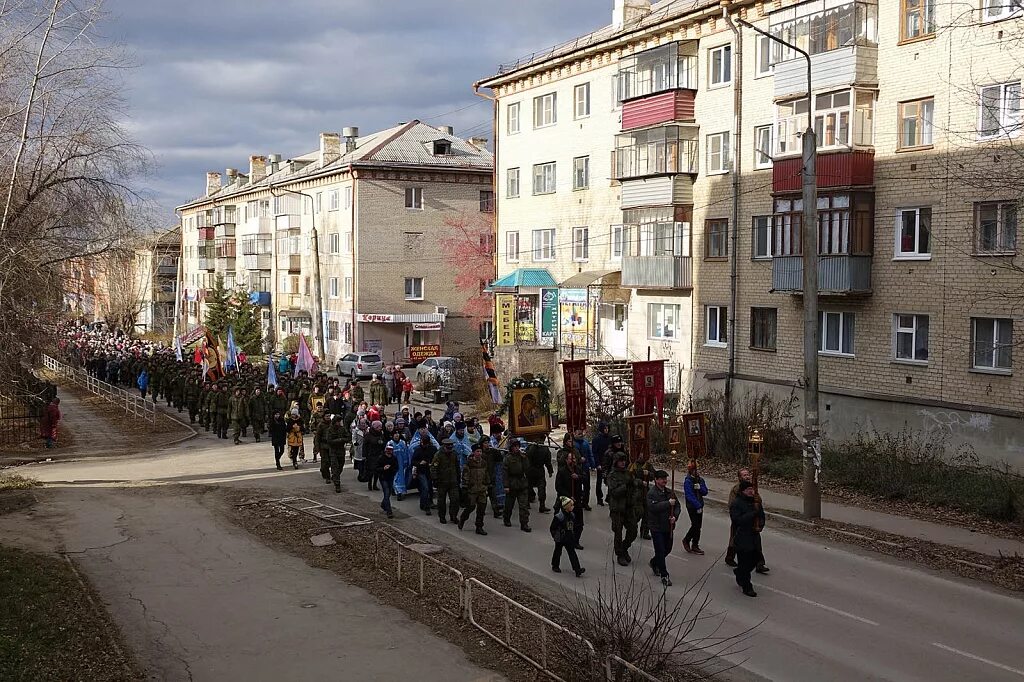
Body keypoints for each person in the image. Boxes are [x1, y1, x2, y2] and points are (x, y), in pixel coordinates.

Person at [725, 468, 769, 574]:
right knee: (735, 540)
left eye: (747, 474)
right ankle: (730, 557)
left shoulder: (752, 488)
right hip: (740, 521)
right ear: (740, 477)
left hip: (752, 522)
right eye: (744, 475)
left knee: (756, 542)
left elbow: (758, 501)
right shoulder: (736, 489)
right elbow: (732, 504)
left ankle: (759, 563)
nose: (747, 476)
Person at [730, 481, 765, 597]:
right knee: (744, 562)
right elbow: (737, 520)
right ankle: (747, 587)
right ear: (743, 491)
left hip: (754, 537)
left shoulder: (756, 503)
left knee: (756, 559)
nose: (751, 491)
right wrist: (752, 514)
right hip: (742, 537)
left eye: (752, 489)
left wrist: (760, 526)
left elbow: (762, 516)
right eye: (748, 489)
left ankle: (739, 572)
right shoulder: (737, 503)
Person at [647, 469, 681, 587]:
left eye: (665, 479)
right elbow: (653, 507)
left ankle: (654, 562)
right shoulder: (652, 493)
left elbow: (677, 506)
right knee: (660, 550)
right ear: (656, 480)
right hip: (656, 527)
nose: (664, 481)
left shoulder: (669, 492)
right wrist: (668, 503)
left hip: (668, 526)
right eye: (661, 479)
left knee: (667, 549)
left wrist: (674, 517)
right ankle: (664, 575)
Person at [606, 452, 638, 566]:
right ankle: (619, 554)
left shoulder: (628, 474)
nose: (623, 463)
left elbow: (635, 489)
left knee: (633, 530)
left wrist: (633, 499)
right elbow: (614, 492)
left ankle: (625, 548)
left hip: (628, 507)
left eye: (624, 460)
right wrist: (625, 486)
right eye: (621, 460)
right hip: (617, 508)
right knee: (618, 533)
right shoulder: (612, 476)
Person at [555, 450, 585, 550]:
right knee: (569, 522)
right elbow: (558, 487)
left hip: (577, 500)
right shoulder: (562, 471)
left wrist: (578, 477)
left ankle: (576, 540)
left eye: (574, 458)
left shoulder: (578, 469)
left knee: (579, 523)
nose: (573, 460)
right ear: (566, 460)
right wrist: (568, 496)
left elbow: (584, 479)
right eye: (571, 458)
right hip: (566, 501)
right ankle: (567, 540)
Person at [457, 442, 490, 535]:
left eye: (480, 451)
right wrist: (465, 487)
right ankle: (463, 518)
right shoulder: (469, 463)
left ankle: (479, 527)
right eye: (477, 451)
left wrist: (487, 483)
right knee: (470, 507)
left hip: (482, 489)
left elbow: (486, 474)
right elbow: (465, 476)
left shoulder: (484, 463)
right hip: (472, 490)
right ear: (473, 452)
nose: (479, 453)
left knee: (481, 509)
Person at [550, 496, 585, 577]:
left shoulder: (572, 515)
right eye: (571, 505)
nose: (573, 507)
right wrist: (556, 536)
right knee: (557, 552)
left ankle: (577, 569)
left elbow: (573, 526)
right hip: (560, 538)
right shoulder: (559, 517)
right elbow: (552, 528)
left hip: (568, 537)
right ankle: (555, 565)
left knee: (572, 553)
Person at [502, 438, 531, 532]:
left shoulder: (522, 457)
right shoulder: (508, 458)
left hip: (522, 482)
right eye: (515, 447)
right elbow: (505, 473)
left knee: (523, 505)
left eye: (518, 446)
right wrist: (506, 486)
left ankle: (524, 523)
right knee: (509, 504)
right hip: (512, 483)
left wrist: (525, 458)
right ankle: (506, 518)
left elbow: (527, 468)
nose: (517, 448)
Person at [430, 437, 461, 524]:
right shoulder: (438, 455)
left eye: (451, 446)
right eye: (448, 447)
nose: (450, 448)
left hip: (453, 481)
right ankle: (442, 516)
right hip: (442, 481)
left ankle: (453, 516)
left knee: (455, 500)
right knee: (441, 501)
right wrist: (435, 479)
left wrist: (458, 477)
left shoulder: (454, 454)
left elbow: (457, 466)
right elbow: (433, 468)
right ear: (444, 446)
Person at [682, 459, 709, 555]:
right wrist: (697, 505)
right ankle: (687, 540)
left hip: (700, 506)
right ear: (692, 471)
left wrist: (700, 487)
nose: (698, 472)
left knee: (698, 526)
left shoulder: (700, 480)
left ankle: (695, 544)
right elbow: (689, 495)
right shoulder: (688, 481)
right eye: (695, 470)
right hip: (692, 507)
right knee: (695, 525)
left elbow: (705, 492)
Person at [412, 429, 437, 515]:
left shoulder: (433, 449)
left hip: (429, 470)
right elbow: (413, 461)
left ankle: (426, 502)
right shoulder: (418, 450)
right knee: (425, 487)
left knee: (429, 487)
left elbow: (436, 458)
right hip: (421, 471)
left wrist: (433, 463)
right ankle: (426, 506)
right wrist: (419, 463)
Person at [526, 440, 553, 513]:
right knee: (541, 488)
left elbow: (527, 456)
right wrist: (550, 470)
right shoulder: (545, 448)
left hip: (531, 470)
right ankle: (542, 505)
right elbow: (548, 461)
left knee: (529, 487)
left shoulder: (530, 447)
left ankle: (528, 503)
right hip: (538, 470)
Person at [573, 427, 595, 510]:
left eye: (581, 433)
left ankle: (585, 503)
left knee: (587, 487)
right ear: (574, 434)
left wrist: (592, 465)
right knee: (578, 487)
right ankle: (578, 502)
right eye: (578, 433)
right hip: (577, 468)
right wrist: (578, 460)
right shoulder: (573, 444)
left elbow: (590, 454)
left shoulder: (585, 443)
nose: (580, 435)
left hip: (585, 468)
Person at [592, 422, 612, 506]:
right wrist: (597, 464)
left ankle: (609, 497)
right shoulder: (596, 439)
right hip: (601, 462)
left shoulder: (610, 438)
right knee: (599, 481)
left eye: (607, 428)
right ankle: (599, 498)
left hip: (610, 463)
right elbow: (595, 452)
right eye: (604, 428)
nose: (606, 430)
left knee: (611, 481)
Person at [377, 443, 398, 519]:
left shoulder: (394, 458)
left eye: (390, 450)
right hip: (383, 478)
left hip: (390, 477)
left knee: (388, 493)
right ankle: (389, 511)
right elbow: (377, 468)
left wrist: (391, 468)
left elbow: (396, 468)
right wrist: (383, 468)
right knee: (386, 493)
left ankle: (383, 504)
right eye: (387, 450)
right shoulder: (381, 458)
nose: (389, 452)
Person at [390, 429, 411, 500]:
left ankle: (401, 492)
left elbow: (406, 452)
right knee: (395, 478)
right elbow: (387, 455)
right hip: (394, 465)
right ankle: (397, 492)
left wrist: (406, 462)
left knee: (402, 479)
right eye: (395, 434)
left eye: (398, 434)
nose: (396, 435)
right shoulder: (390, 443)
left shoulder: (403, 443)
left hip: (402, 465)